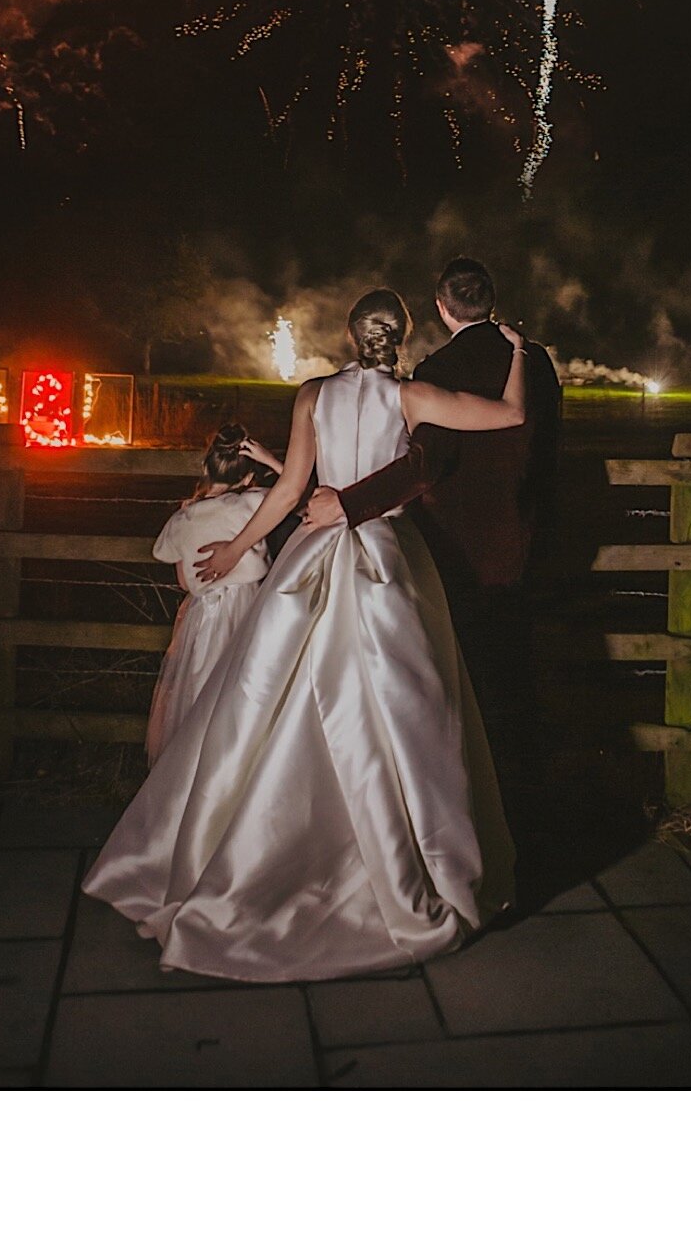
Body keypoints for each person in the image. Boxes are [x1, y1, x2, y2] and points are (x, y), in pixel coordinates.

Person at [81, 290, 526, 983]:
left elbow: (289, 492)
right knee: (398, 709)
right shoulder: (414, 397)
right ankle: (394, 863)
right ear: (399, 337)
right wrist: (521, 354)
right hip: (382, 556)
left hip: (315, 553)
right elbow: (511, 413)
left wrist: (233, 550)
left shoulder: (313, 394)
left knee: (271, 698)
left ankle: (244, 859)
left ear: (350, 336)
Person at [300, 256, 561, 828]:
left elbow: (423, 466)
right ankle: (525, 813)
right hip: (523, 538)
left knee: (454, 689)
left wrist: (346, 504)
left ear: (442, 309)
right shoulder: (536, 359)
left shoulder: (435, 371)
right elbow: (542, 442)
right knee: (518, 679)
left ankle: (462, 815)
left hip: (455, 550)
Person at [141, 422, 284, 765]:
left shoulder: (183, 518)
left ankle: (196, 771)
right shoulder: (254, 503)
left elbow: (184, 583)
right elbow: (298, 494)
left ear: (206, 468)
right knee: (250, 692)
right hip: (251, 610)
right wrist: (274, 462)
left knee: (199, 693)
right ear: (249, 478)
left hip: (203, 618)